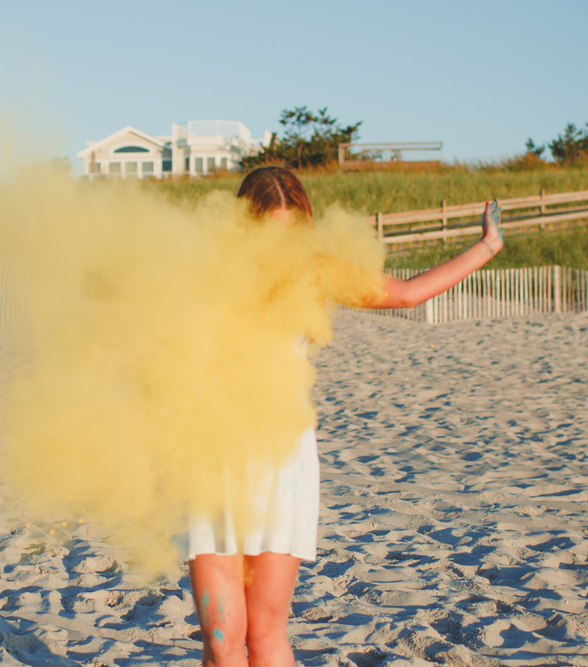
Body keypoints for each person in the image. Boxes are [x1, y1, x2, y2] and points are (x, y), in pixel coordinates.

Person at [187, 166, 503, 666]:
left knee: (265, 633)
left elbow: (407, 293)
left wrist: (487, 247)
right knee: (224, 638)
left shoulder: (313, 270)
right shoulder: (205, 270)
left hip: (281, 462)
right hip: (211, 460)